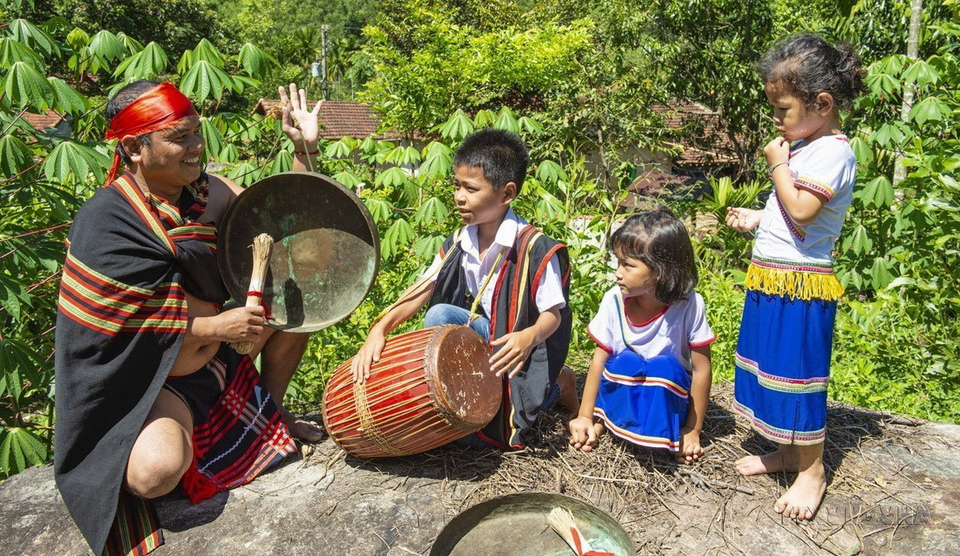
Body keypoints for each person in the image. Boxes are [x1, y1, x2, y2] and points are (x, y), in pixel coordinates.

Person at [54, 80, 324, 556]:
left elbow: (280, 222)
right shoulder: (106, 220)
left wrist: (304, 150)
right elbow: (102, 328)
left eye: (198, 132)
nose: (197, 146)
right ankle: (210, 433)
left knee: (299, 301)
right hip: (153, 383)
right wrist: (212, 327)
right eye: (180, 137)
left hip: (221, 362)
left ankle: (270, 410)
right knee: (154, 475)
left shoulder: (209, 193)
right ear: (135, 147)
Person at [351, 128, 578, 449]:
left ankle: (557, 385)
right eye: (457, 185)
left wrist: (527, 338)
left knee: (485, 438)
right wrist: (380, 328)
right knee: (440, 313)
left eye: (471, 188)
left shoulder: (535, 248)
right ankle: (471, 397)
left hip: (521, 349)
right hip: (486, 335)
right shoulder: (460, 241)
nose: (459, 196)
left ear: (506, 193)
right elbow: (422, 289)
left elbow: (552, 316)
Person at [726, 34, 863, 520]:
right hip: (772, 278)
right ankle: (786, 451)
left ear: (821, 104)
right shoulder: (806, 148)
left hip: (802, 285)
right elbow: (788, 209)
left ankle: (811, 471)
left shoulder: (833, 152)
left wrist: (778, 164)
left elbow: (803, 210)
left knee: (799, 376)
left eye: (782, 108)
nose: (777, 119)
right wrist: (757, 217)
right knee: (772, 369)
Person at [568, 209, 715, 463]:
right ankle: (610, 420)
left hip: (666, 397)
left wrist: (692, 430)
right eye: (617, 262)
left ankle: (639, 428)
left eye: (627, 265)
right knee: (625, 362)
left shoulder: (690, 304)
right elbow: (599, 362)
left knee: (664, 367)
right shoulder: (613, 300)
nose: (618, 273)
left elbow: (702, 370)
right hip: (625, 388)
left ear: (660, 271)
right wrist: (584, 416)